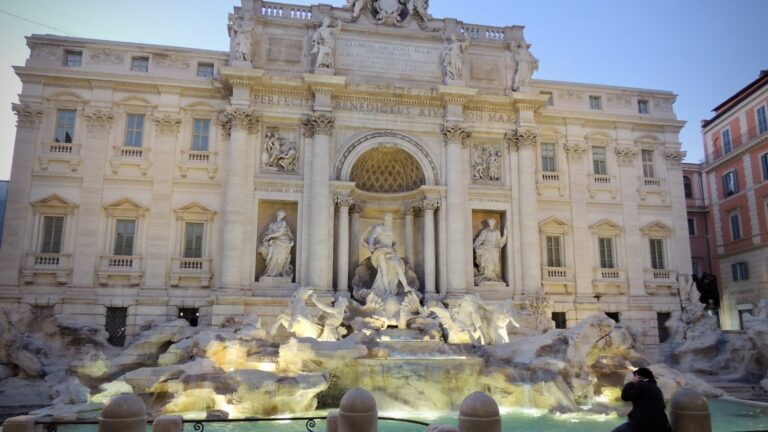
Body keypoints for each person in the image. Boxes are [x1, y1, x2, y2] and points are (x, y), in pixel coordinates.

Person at [361, 212, 414, 296]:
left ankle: (406, 286)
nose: (390, 221)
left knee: (398, 267)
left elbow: (393, 242)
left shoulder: (390, 230)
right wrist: (371, 245)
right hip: (380, 251)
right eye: (388, 219)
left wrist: (395, 246)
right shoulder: (379, 228)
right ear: (384, 220)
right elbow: (371, 237)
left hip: (390, 251)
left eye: (390, 219)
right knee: (384, 271)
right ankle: (387, 291)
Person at [611, 367, 671, 432]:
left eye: (635, 376)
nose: (633, 378)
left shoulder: (642, 386)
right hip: (661, 426)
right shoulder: (656, 388)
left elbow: (625, 396)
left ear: (639, 377)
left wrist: (631, 383)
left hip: (643, 425)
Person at [259, 210, 294, 278]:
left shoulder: (283, 223)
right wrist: (267, 238)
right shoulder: (272, 224)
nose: (283, 216)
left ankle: (279, 273)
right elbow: (267, 233)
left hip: (284, 242)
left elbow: (281, 232)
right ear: (278, 214)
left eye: (283, 215)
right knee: (274, 257)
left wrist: (270, 236)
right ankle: (271, 273)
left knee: (281, 258)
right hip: (275, 242)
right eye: (282, 214)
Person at [473, 218, 508, 284]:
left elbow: (500, 243)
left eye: (492, 222)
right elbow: (479, 240)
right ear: (488, 223)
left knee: (495, 262)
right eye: (490, 222)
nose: (491, 223)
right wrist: (476, 245)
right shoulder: (484, 231)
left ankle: (494, 277)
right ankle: (487, 276)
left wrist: (505, 234)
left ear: (494, 223)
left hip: (495, 250)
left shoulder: (497, 231)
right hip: (486, 249)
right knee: (487, 263)